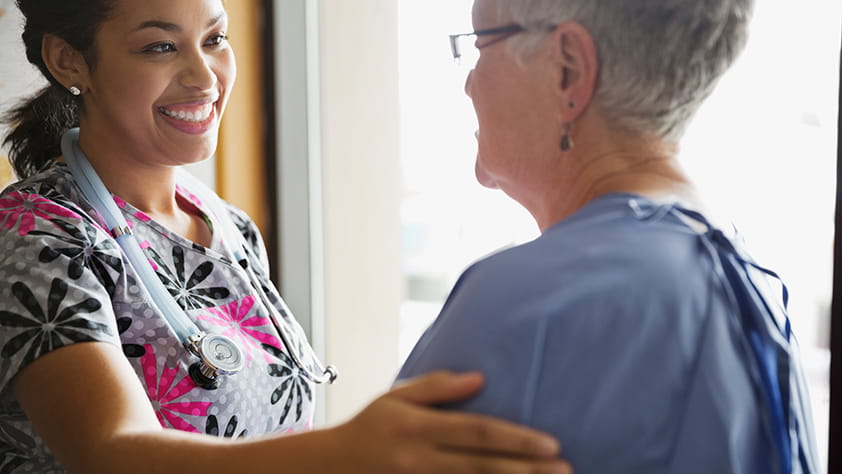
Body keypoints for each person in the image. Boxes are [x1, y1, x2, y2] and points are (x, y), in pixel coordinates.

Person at [0, 1, 576, 473]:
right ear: (69, 61)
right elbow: (110, 453)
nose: (204, 76)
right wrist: (350, 449)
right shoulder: (33, 234)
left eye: (216, 39)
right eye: (160, 47)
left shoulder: (228, 227)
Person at [398, 0, 819, 473]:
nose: (468, 82)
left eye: (481, 45)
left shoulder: (527, 302)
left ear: (568, 70)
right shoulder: (754, 289)